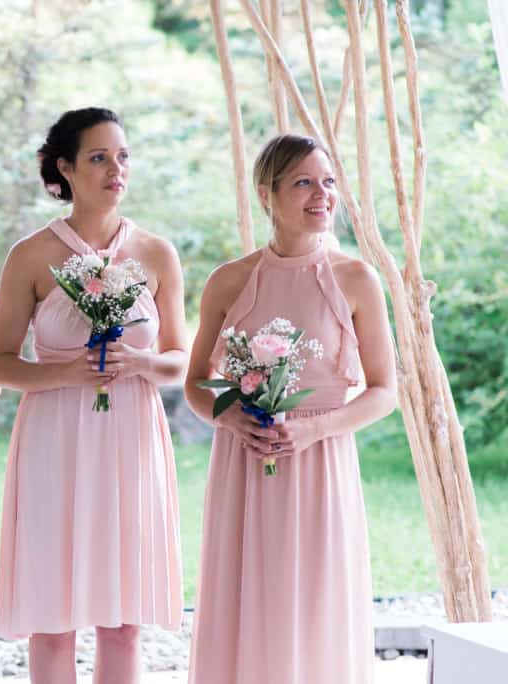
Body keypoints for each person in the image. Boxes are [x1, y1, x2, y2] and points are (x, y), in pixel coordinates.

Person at [184, 133, 398, 684]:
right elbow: (196, 384)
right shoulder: (228, 280)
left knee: (315, 606)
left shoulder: (356, 279)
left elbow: (383, 391)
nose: (321, 195)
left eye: (327, 181)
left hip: (321, 465)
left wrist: (314, 430)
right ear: (267, 194)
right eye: (303, 182)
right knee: (246, 597)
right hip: (244, 465)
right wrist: (229, 414)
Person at [0, 107, 188, 684]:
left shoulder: (156, 253)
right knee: (53, 618)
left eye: (122, 156)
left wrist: (141, 361)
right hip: (54, 438)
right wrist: (67, 372)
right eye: (99, 157)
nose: (115, 169)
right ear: (65, 169)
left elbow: (179, 361)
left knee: (124, 620)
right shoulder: (30, 255)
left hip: (130, 436)